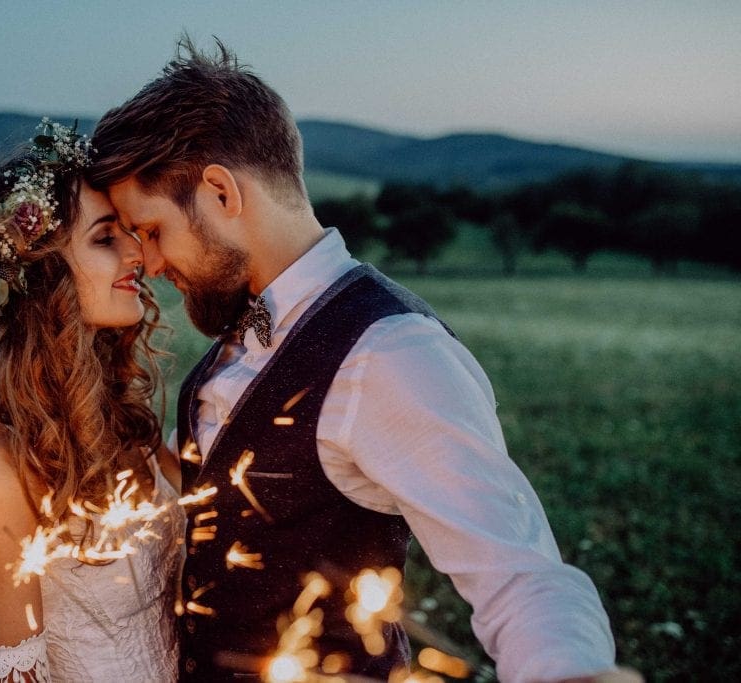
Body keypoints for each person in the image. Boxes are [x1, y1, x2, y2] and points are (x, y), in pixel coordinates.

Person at [86, 39, 643, 683]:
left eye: (152, 231)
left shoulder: (392, 352)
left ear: (219, 191)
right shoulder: (236, 332)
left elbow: (517, 571)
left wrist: (572, 675)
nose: (150, 264)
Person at [0, 120, 184, 682]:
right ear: (38, 273)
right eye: (104, 238)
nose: (137, 254)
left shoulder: (115, 414)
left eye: (129, 231)